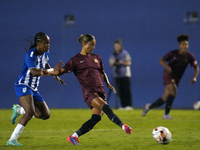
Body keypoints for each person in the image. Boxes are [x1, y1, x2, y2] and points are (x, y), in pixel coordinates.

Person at [47, 34, 132, 145]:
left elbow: (102, 73)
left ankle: (73, 137)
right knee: (106, 108)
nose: (93, 47)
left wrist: (108, 84)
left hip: (101, 91)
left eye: (94, 45)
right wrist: (49, 72)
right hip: (90, 93)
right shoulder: (75, 60)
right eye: (91, 45)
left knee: (96, 118)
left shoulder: (97, 58)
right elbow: (60, 71)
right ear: (84, 44)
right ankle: (123, 126)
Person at [7, 32, 65, 146]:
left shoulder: (45, 53)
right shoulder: (30, 55)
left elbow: (45, 64)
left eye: (49, 43)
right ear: (38, 43)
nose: (48, 45)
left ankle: (19, 110)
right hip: (23, 85)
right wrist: (52, 71)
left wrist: (55, 76)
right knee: (30, 112)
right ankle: (12, 140)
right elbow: (34, 72)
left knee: (45, 115)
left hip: (33, 88)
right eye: (46, 43)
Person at [142, 34, 199, 119]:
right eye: (183, 44)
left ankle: (148, 107)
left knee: (164, 99)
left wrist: (195, 77)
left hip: (177, 78)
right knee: (174, 90)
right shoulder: (173, 53)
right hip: (168, 74)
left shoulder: (190, 56)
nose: (184, 46)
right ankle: (166, 115)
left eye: (186, 44)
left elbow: (196, 67)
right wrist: (167, 66)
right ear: (179, 45)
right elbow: (161, 60)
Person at [109, 39, 133, 110]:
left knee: (127, 90)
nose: (116, 48)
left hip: (125, 74)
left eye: (117, 46)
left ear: (120, 46)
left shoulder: (125, 53)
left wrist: (121, 62)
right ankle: (123, 106)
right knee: (120, 91)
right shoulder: (113, 55)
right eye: (115, 46)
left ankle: (129, 105)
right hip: (117, 75)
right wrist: (114, 62)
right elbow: (111, 64)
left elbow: (129, 63)